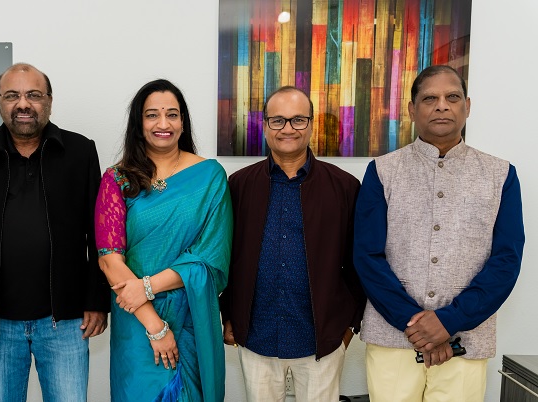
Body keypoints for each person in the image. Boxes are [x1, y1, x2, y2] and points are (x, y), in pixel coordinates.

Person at [354, 65, 525, 401]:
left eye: (453, 97)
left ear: (467, 106)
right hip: (392, 338)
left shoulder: (501, 174)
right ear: (412, 109)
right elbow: (367, 256)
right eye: (430, 98)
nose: (442, 106)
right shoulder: (382, 170)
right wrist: (417, 325)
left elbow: (506, 260)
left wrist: (450, 321)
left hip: (468, 339)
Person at [0, 63, 109, 402]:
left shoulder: (80, 151)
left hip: (65, 320)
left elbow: (98, 233)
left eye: (33, 95)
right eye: (12, 95)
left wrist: (97, 300)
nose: (23, 104)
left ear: (49, 100)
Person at [219, 86, 366, 401]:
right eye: (278, 120)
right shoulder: (239, 185)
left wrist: (349, 328)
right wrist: (228, 314)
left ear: (311, 124)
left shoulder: (345, 187)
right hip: (256, 336)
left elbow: (359, 264)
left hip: (321, 341)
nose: (288, 128)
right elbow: (230, 258)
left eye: (298, 119)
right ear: (265, 125)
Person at [94, 79, 232, 401]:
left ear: (183, 122)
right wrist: (155, 326)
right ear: (139, 123)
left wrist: (146, 287)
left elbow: (211, 256)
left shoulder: (210, 176)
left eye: (172, 114)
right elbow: (109, 260)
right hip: (136, 320)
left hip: (190, 315)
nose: (163, 124)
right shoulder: (117, 179)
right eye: (152, 115)